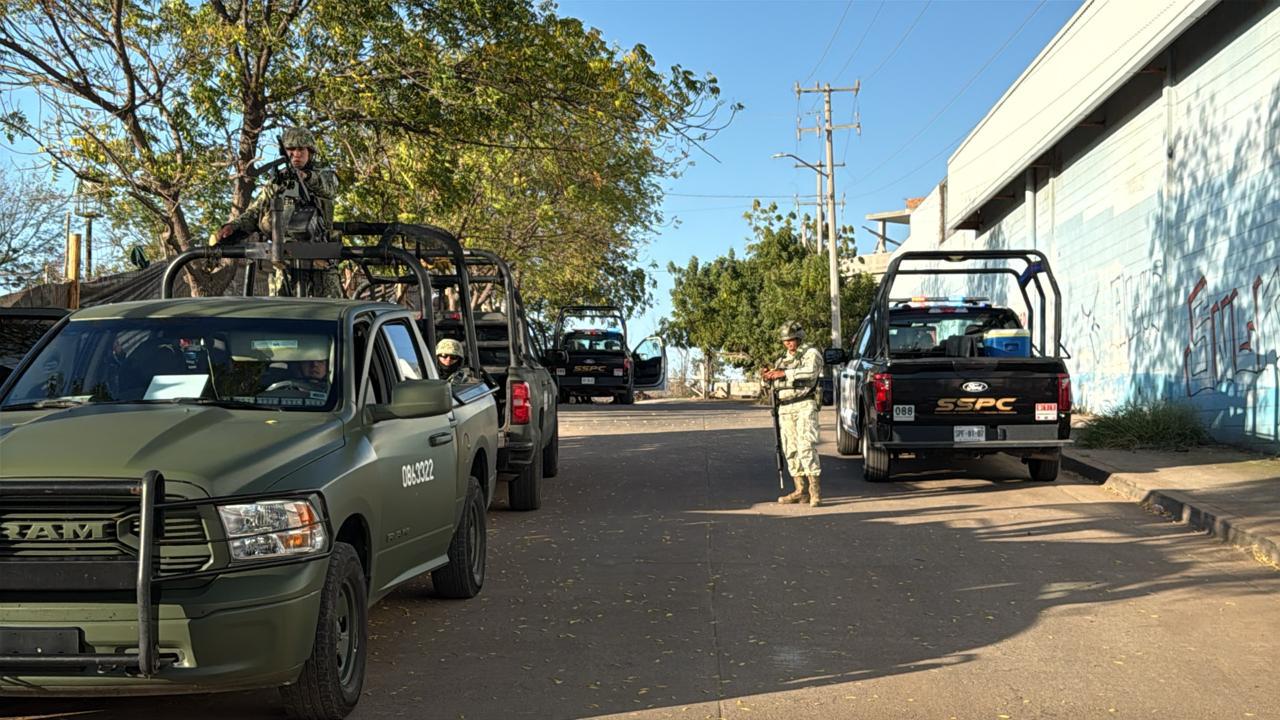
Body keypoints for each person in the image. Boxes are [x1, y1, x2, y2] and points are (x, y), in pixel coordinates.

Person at [214, 127, 340, 297]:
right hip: (287, 262)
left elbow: (329, 188)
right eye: (291, 150)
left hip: (321, 262)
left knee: (331, 315)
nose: (296, 154)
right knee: (285, 313)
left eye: (301, 149)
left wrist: (306, 177)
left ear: (310, 152)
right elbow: (256, 211)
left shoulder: (324, 175)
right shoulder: (278, 183)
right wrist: (233, 226)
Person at [762, 321, 825, 506]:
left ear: (799, 338)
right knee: (790, 449)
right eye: (785, 340)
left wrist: (784, 374)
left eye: (792, 339)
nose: (788, 343)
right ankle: (800, 490)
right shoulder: (781, 360)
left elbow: (810, 372)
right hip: (785, 407)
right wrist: (768, 377)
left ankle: (815, 491)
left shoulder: (811, 354)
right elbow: (774, 383)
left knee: (806, 446)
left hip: (804, 404)